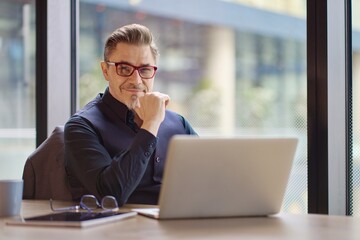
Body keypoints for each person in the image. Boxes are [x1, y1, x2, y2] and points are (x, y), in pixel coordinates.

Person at [64, 23, 197, 206]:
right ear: (106, 71)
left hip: (178, 228)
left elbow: (210, 176)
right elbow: (110, 196)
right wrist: (150, 125)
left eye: (145, 70)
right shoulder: (82, 126)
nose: (136, 80)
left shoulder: (178, 123)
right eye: (124, 69)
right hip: (118, 231)